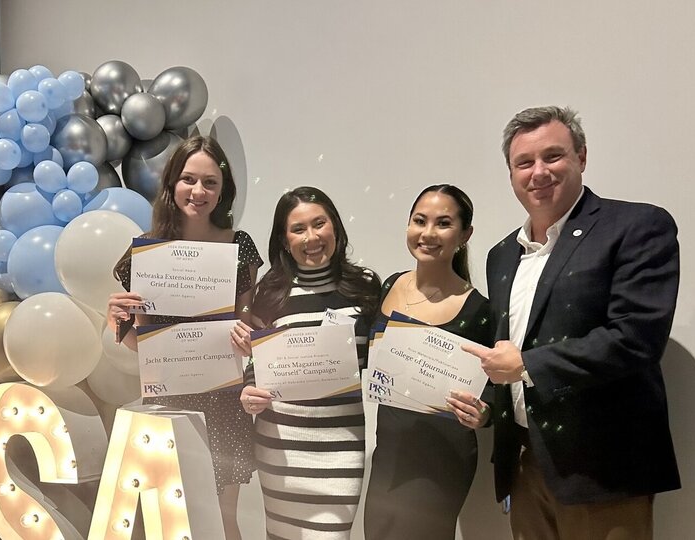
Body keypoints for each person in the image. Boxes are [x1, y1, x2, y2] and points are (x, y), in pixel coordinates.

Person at [462, 106, 680, 539]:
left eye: (553, 156)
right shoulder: (502, 255)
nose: (538, 172)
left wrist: (525, 365)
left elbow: (636, 338)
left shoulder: (637, 226)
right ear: (511, 175)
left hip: (603, 473)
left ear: (581, 157)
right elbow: (510, 349)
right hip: (524, 468)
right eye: (524, 163)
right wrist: (488, 406)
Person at [106, 135, 263, 540]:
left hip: (225, 399)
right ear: (172, 183)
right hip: (170, 401)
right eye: (189, 179)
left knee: (223, 517)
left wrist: (250, 339)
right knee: (170, 519)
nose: (199, 191)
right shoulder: (147, 252)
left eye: (210, 182)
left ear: (223, 190)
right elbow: (144, 344)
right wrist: (117, 323)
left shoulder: (239, 248)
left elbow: (249, 321)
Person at [233, 186, 382, 539]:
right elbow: (257, 366)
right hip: (280, 448)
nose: (311, 237)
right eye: (298, 229)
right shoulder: (270, 292)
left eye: (319, 224)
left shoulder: (365, 289)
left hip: (341, 450)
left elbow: (380, 364)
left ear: (335, 228)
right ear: (284, 240)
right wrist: (248, 391)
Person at [361, 184, 493, 539]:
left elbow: (498, 391)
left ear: (465, 235)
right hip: (390, 452)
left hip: (442, 459)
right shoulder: (389, 285)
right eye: (420, 221)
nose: (428, 233)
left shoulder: (479, 310)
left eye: (443, 223)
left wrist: (485, 414)